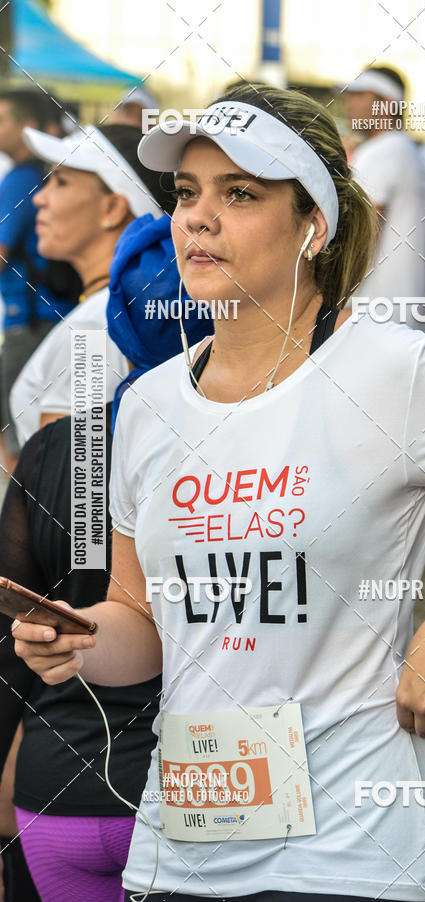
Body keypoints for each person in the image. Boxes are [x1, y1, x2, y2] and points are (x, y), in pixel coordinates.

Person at [12, 85, 425, 902]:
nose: (197, 219)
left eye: (240, 194)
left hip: (351, 852)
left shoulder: (395, 373)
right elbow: (139, 620)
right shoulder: (146, 405)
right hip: (183, 845)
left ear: (313, 224)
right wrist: (75, 639)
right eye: (187, 195)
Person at [0, 212, 212, 902]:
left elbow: (12, 650)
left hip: (55, 787)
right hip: (212, 794)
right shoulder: (247, 455)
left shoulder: (57, 450)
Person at [9, 122, 173, 448]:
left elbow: (81, 488)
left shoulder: (96, 325)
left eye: (61, 182)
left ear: (112, 208)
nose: (39, 198)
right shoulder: (114, 312)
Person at [0, 88, 79, 472]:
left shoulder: (19, 179)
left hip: (29, 319)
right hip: (52, 314)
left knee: (18, 438)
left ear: (26, 126)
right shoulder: (40, 174)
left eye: (2, 120)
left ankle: (21, 525)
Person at [343, 66, 425, 315]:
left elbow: (363, 231)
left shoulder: (383, 150)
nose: (350, 104)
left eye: (361, 95)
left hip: (374, 313)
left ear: (387, 104)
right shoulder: (406, 150)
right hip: (399, 311)